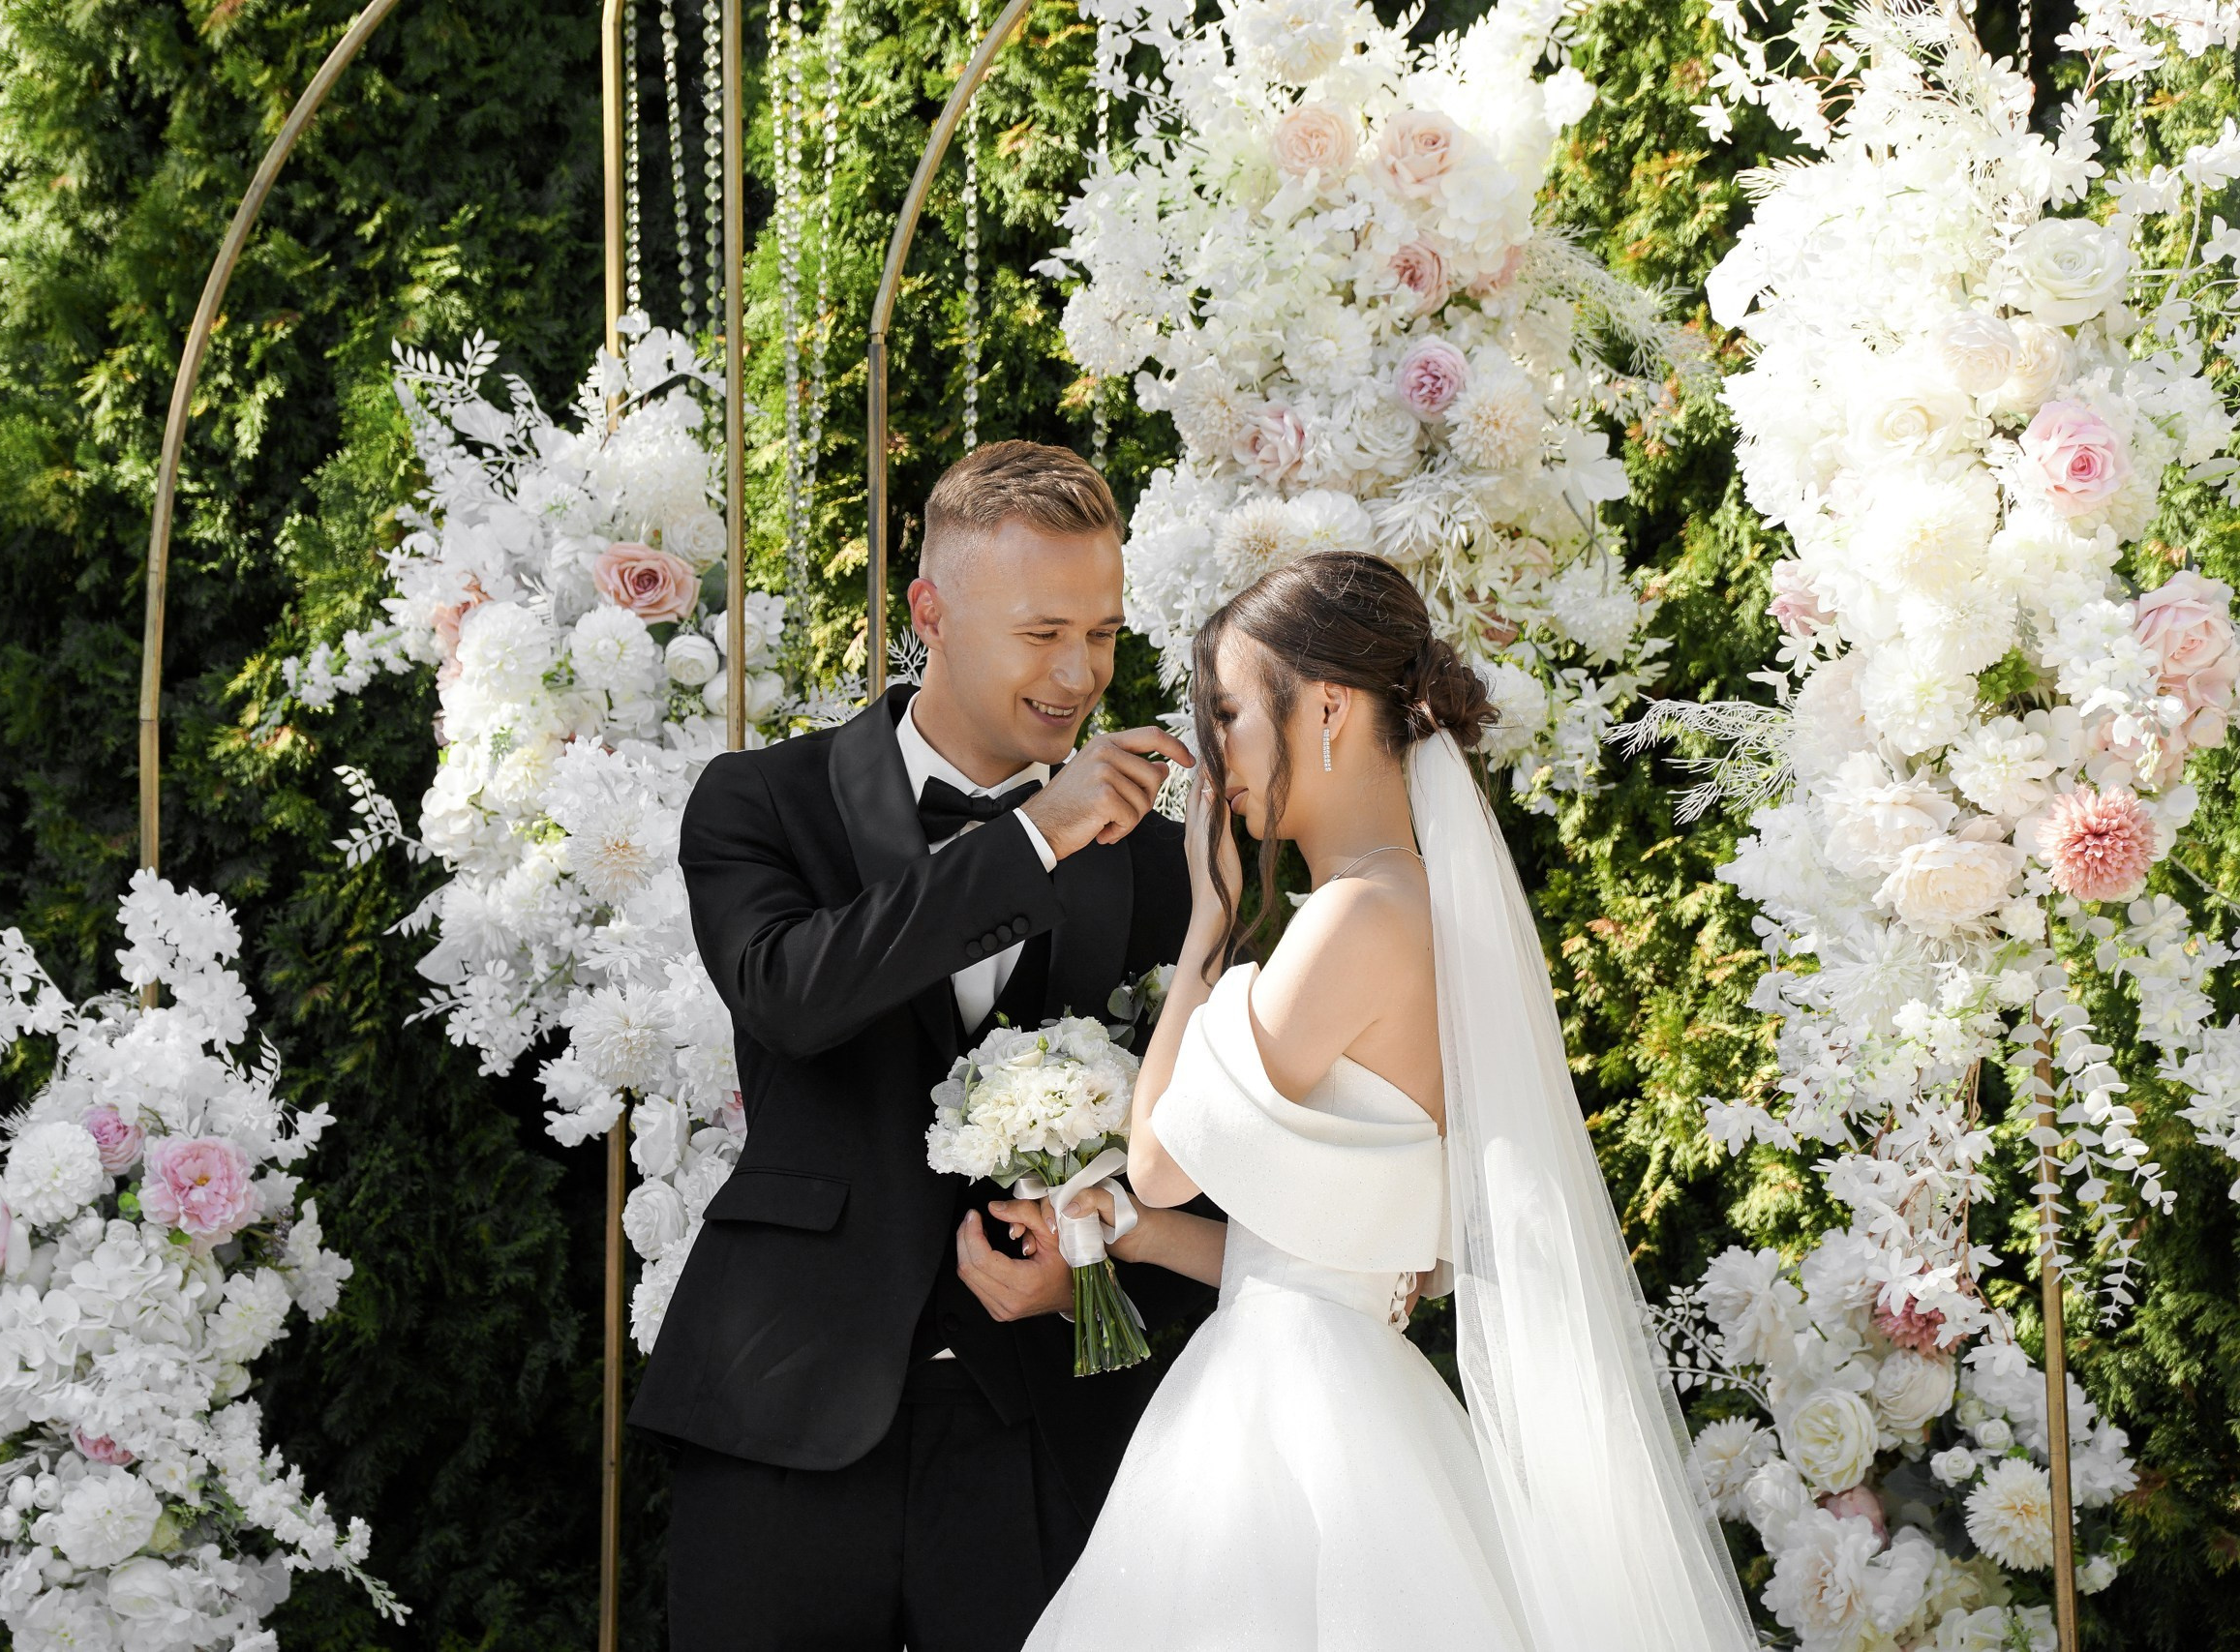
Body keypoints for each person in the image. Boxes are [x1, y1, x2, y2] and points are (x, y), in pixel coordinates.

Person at [1021, 552, 1760, 1651]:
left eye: (1228, 714)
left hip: (1286, 1411)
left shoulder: (1353, 916)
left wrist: (1208, 924)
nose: (1214, 759)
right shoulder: (1416, 909)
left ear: (1325, 707)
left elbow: (1164, 1160)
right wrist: (1133, 1232)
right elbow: (1304, 1258)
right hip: (1344, 1377)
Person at [634, 440, 1219, 1652]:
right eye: (1040, 632)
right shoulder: (758, 800)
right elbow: (791, 995)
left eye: (1102, 634)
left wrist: (1095, 1275)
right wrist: (1031, 841)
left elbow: (1202, 1159)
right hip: (786, 1404)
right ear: (930, 613)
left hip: (1047, 1431)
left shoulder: (1166, 868)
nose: (1078, 675)